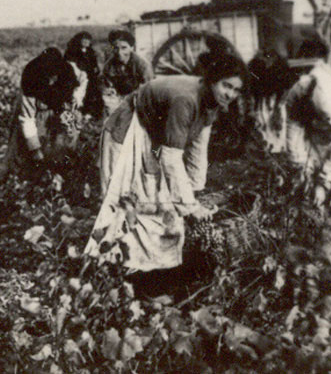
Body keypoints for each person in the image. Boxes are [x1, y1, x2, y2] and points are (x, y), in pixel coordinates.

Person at [85, 52, 246, 272]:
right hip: (128, 128)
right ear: (212, 80)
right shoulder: (186, 99)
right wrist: (189, 206)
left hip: (153, 136)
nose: (230, 94)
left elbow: (199, 146)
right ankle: (106, 267)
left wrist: (194, 190)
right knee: (122, 198)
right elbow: (170, 158)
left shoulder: (212, 102)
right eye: (226, 86)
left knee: (153, 202)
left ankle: (143, 268)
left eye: (236, 90)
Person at [284, 61, 331, 266]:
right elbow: (294, 129)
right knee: (305, 190)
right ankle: (311, 243)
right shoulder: (299, 91)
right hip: (310, 136)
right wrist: (300, 166)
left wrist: (325, 182)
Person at [4, 47, 83, 173]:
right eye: (48, 77)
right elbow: (27, 119)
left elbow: (75, 94)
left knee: (60, 153)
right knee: (25, 156)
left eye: (54, 77)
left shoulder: (68, 74)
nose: (51, 81)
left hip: (56, 116)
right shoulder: (30, 79)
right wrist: (35, 149)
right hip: (36, 117)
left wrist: (68, 111)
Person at [101, 29, 154, 118]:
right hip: (119, 99)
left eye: (124, 48)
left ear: (131, 47)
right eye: (116, 48)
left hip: (140, 99)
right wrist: (109, 91)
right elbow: (106, 86)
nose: (119, 52)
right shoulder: (109, 66)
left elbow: (148, 88)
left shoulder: (142, 65)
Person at [64, 31, 103, 118]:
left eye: (88, 40)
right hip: (77, 75)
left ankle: (91, 112)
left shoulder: (90, 51)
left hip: (90, 76)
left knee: (93, 92)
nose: (86, 42)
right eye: (84, 40)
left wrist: (95, 69)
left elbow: (94, 64)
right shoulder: (72, 51)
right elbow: (69, 65)